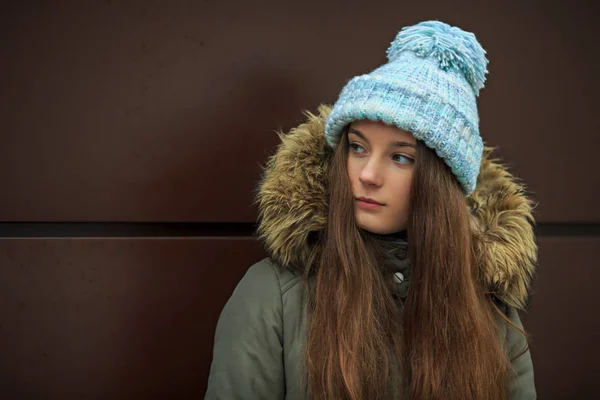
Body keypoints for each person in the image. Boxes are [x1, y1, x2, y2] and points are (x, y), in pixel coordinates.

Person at [205, 20, 537, 400]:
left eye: (400, 157)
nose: (366, 174)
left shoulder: (491, 312)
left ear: (441, 183)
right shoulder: (273, 296)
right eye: (358, 147)